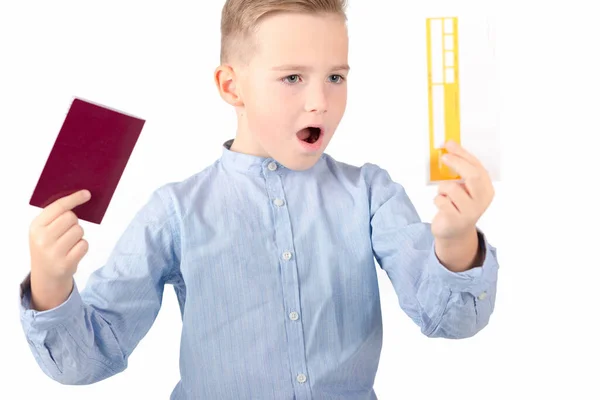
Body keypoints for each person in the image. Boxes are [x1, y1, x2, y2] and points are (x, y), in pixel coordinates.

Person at [19, 0, 499, 398]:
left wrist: (456, 243)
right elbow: (89, 358)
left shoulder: (370, 194)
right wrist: (50, 283)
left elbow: (449, 320)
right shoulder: (176, 212)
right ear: (232, 86)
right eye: (293, 78)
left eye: (336, 77)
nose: (321, 102)